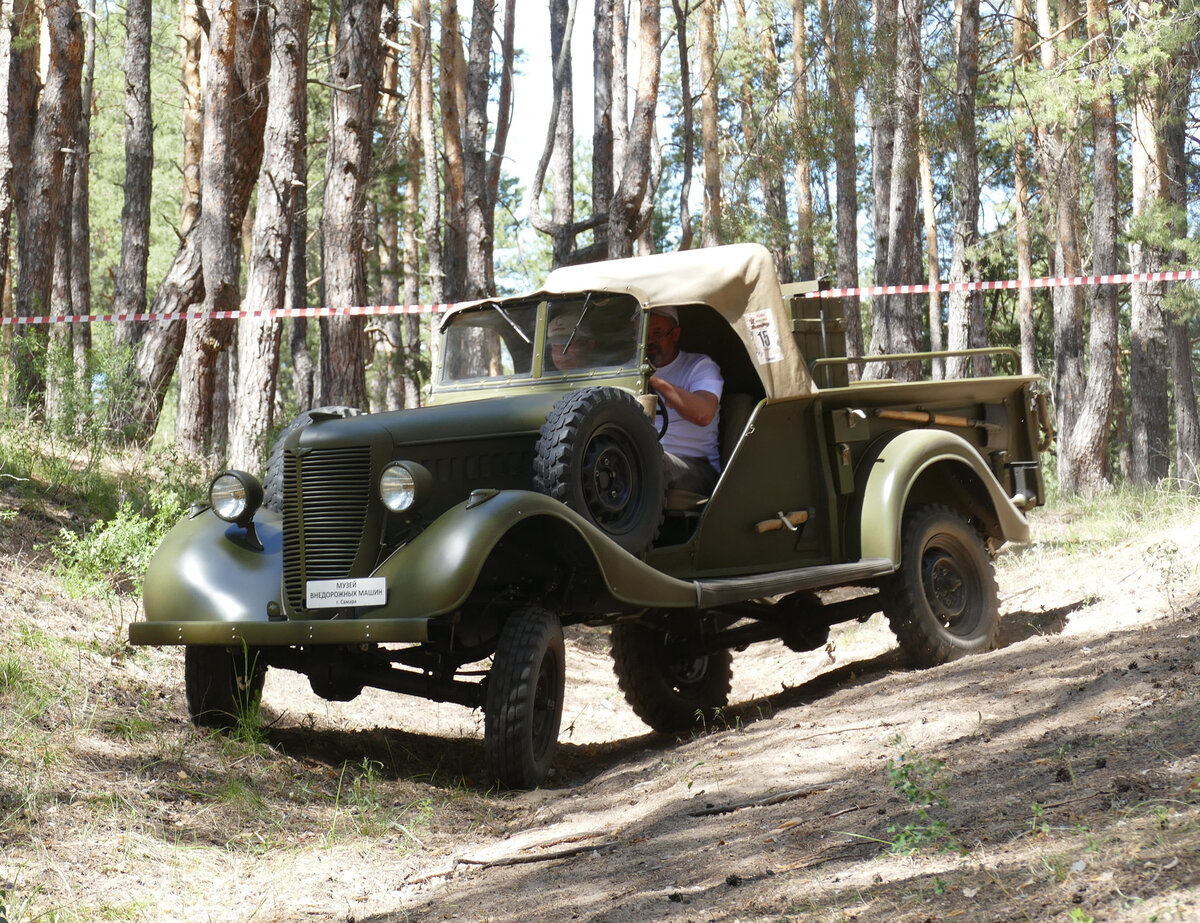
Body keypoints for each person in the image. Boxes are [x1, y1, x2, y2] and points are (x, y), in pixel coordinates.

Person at [646, 305, 724, 495]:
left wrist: (655, 382)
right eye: (643, 333)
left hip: (695, 465)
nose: (649, 340)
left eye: (657, 332)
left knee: (647, 463)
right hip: (645, 453)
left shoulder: (700, 366)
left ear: (675, 334)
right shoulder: (627, 372)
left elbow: (703, 413)